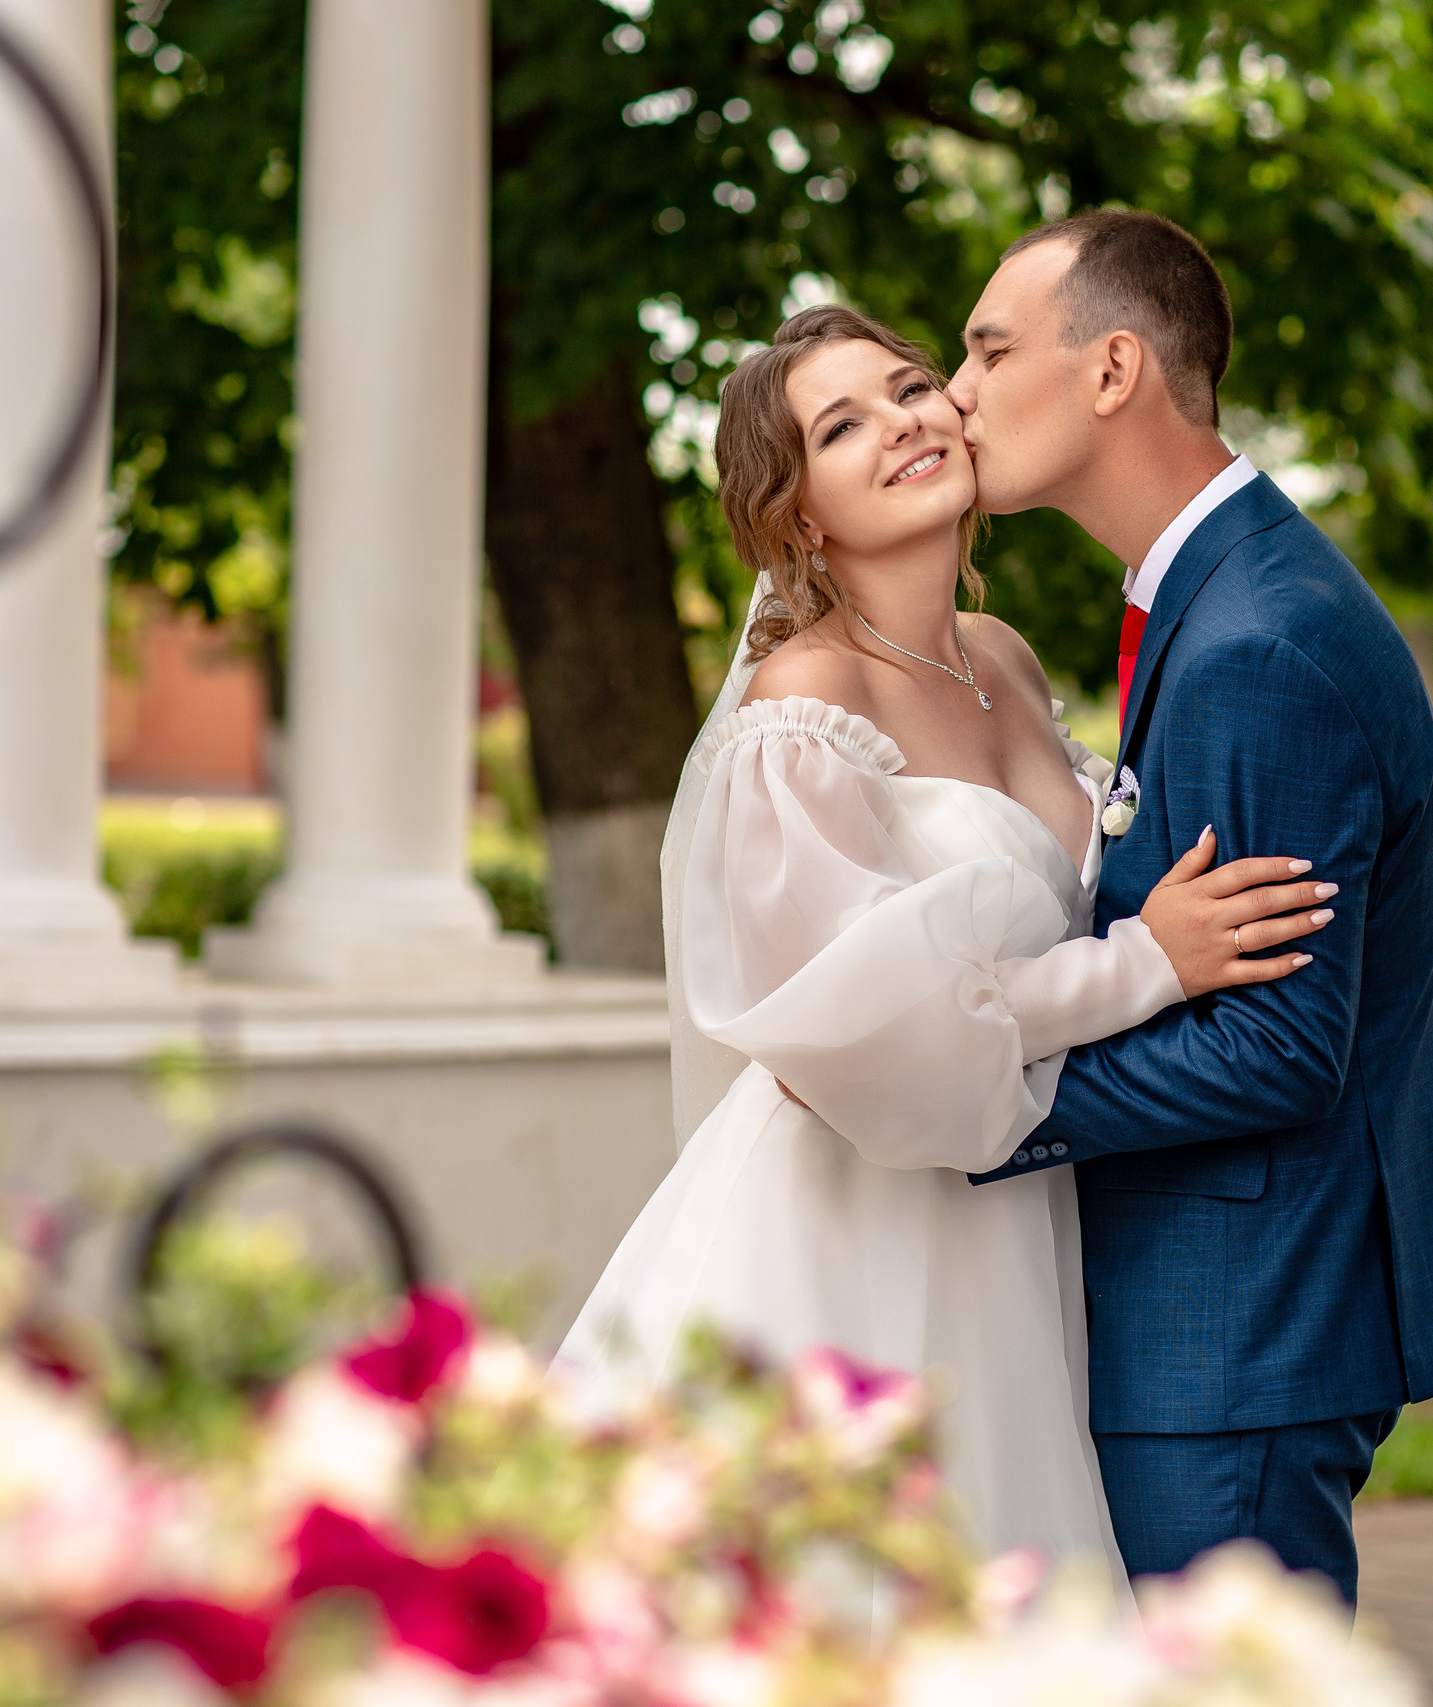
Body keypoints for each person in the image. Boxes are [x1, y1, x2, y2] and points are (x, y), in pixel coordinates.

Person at [557, 303, 1337, 1580]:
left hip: (1015, 1207)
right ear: (798, 510)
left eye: (912, 387)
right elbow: (861, 1031)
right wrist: (1151, 962)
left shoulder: (1005, 660)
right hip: (859, 1216)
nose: (906, 422)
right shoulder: (803, 704)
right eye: (841, 426)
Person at [946, 210, 1433, 1605]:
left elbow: (1276, 1041)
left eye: (988, 348)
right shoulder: (1224, 596)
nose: (956, 392)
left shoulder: (1262, 642)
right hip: (1212, 1314)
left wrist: (969, 1100)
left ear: (1113, 368)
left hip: (1235, 1326)